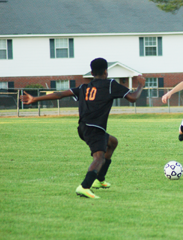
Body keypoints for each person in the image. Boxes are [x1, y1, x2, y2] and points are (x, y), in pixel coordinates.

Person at [20, 58, 145, 199]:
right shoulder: (110, 84)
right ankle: (84, 186)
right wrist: (140, 85)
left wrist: (35, 99)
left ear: (91, 72)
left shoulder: (84, 87)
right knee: (99, 158)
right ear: (106, 71)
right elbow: (133, 98)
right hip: (94, 129)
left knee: (112, 142)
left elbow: (60, 94)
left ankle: (99, 180)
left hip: (83, 127)